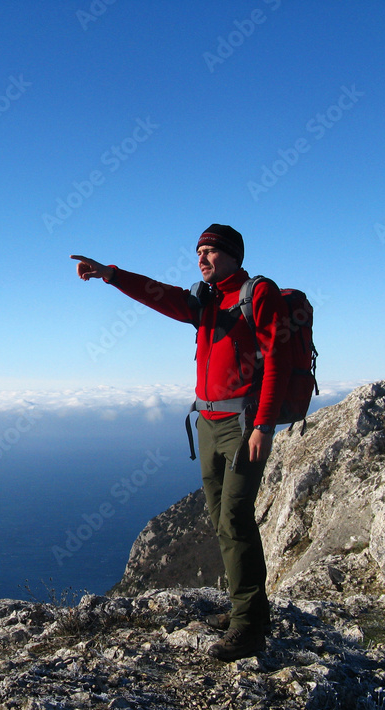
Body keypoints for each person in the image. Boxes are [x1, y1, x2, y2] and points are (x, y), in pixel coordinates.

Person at [71, 224, 290, 661]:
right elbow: (159, 294)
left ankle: (249, 628)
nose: (202, 259)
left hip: (243, 423)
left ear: (232, 255)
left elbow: (278, 361)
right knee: (218, 516)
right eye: (198, 252)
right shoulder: (204, 298)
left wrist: (264, 426)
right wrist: (110, 274)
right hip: (206, 422)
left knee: (234, 517)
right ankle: (249, 608)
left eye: (209, 251)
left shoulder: (257, 294)